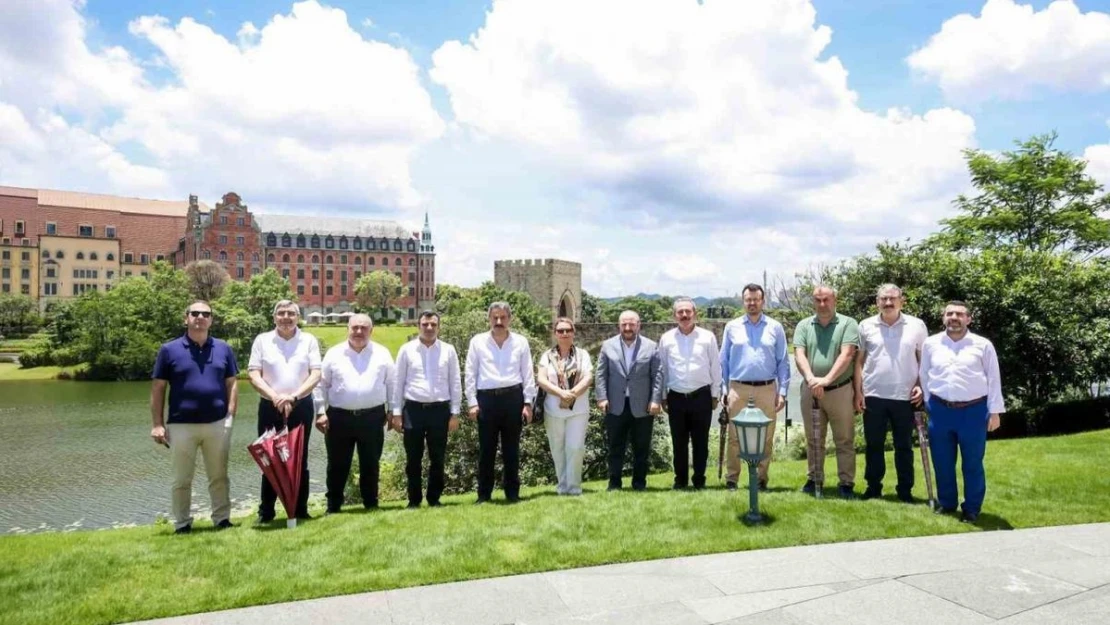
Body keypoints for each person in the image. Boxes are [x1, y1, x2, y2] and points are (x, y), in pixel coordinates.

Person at [150, 301, 239, 534]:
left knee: (219, 476)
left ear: (211, 319)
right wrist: (157, 424)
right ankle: (182, 524)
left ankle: (222, 520)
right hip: (181, 425)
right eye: (195, 313)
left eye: (205, 314)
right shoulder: (169, 350)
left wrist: (230, 414)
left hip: (217, 424)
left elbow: (232, 382)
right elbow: (158, 388)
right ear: (186, 318)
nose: (200, 317)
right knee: (181, 479)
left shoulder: (223, 349)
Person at [920, 300, 1004, 523]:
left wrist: (994, 411)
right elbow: (924, 375)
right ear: (943, 317)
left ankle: (972, 508)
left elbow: (994, 379)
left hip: (973, 411)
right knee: (942, 461)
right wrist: (929, 403)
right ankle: (947, 503)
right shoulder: (931, 344)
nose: (954, 317)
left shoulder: (982, 345)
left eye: (959, 314)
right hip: (940, 411)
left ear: (968, 319)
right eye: (949, 313)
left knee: (972, 463)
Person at [247, 300, 321, 522]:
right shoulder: (262, 340)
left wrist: (294, 396)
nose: (286, 317)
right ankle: (266, 512)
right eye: (281, 313)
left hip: (301, 405)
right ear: (274, 317)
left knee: (300, 458)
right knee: (269, 457)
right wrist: (275, 396)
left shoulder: (308, 340)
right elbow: (253, 374)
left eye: (291, 313)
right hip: (270, 406)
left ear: (298, 317)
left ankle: (300, 510)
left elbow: (316, 374)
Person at [313, 314, 394, 514]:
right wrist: (320, 412)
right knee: (337, 464)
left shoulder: (382, 354)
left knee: (370, 462)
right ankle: (333, 506)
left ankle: (371, 504)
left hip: (373, 417)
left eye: (364, 328)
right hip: (339, 417)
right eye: (355, 327)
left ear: (371, 330)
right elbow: (321, 385)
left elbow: (392, 384)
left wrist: (393, 410)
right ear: (347, 329)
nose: (359, 332)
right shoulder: (334, 353)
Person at [854, 284, 928, 502]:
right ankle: (873, 487)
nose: (888, 303)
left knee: (904, 446)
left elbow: (924, 360)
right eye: (883, 299)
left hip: (905, 396)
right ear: (877, 302)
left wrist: (921, 385)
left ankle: (905, 490)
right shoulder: (865, 325)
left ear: (901, 301)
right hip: (873, 395)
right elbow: (858, 362)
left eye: (892, 299)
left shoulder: (916, 325)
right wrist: (858, 392)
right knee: (874, 445)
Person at [464, 302, 537, 503]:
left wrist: (528, 402)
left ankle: (512, 494)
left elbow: (528, 373)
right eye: (495, 317)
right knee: (486, 450)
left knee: (511, 450)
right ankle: (484, 496)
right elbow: (470, 373)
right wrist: (472, 402)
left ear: (509, 319)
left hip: (513, 398)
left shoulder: (521, 342)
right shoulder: (477, 342)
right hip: (486, 399)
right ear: (489, 319)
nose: (498, 321)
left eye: (503, 317)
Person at [719, 284, 788, 491]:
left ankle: (760, 481)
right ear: (743, 301)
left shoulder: (775, 327)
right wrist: (724, 389)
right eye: (748, 300)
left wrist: (782, 392)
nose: (752, 303)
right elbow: (724, 361)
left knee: (766, 436)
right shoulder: (732, 327)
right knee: (734, 436)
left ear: (762, 301)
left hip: (767, 388)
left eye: (756, 299)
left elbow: (783, 362)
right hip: (738, 389)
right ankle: (732, 479)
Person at [794, 285, 860, 499]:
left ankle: (846, 483)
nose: (822, 304)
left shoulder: (848, 323)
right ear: (813, 302)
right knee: (813, 439)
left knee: (844, 439)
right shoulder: (804, 325)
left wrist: (827, 379)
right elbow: (799, 354)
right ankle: (814, 479)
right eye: (817, 300)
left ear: (835, 300)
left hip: (840, 389)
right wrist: (812, 379)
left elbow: (847, 354)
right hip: (811, 390)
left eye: (826, 300)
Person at [392, 310, 462, 508]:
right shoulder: (406, 350)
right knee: (413, 459)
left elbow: (455, 382)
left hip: (440, 410)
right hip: (413, 410)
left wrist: (455, 413)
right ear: (418, 326)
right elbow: (398, 383)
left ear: (439, 327)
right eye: (425, 324)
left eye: (433, 324)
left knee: (437, 458)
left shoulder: (448, 350)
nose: (429, 328)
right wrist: (396, 413)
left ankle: (434, 499)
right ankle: (414, 500)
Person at [595, 310, 663, 491]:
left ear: (638, 325)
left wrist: (655, 400)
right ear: (619, 325)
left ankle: (639, 483)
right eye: (624, 324)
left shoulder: (651, 346)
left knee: (641, 448)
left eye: (631, 324)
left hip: (642, 405)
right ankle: (614, 484)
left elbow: (657, 375)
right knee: (615, 447)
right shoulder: (607, 346)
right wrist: (601, 397)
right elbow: (601, 374)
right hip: (615, 405)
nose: (627, 328)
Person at [658, 297, 722, 490]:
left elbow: (715, 367)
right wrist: (662, 395)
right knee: (679, 443)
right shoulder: (666, 338)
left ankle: (699, 480)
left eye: (688, 311)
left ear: (695, 314)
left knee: (701, 442)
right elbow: (663, 369)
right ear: (674, 315)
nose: (684, 315)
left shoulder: (707, 337)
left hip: (701, 396)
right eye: (680, 312)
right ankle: (680, 480)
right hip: (676, 396)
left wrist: (715, 394)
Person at [535, 317, 593, 496]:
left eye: (568, 330)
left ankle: (574, 488)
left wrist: (572, 393)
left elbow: (588, 378)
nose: (565, 334)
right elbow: (541, 379)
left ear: (573, 333)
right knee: (558, 449)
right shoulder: (547, 356)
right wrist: (561, 394)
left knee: (575, 448)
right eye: (560, 331)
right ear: (555, 334)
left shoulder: (583, 354)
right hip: (553, 409)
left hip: (578, 409)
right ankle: (563, 487)